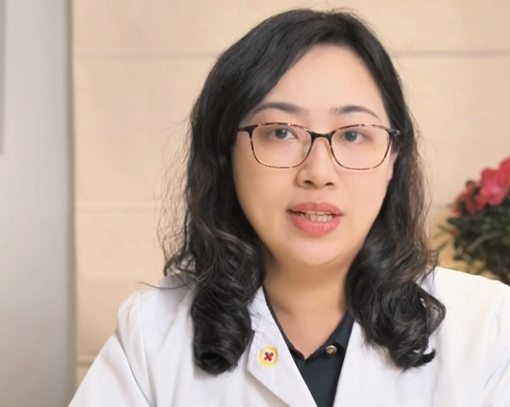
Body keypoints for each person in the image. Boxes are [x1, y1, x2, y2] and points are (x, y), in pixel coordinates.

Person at [69, 8, 510, 407]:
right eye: (281, 131)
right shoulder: (152, 338)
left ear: (394, 158)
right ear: (225, 155)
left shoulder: (487, 331)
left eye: (353, 134)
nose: (318, 172)